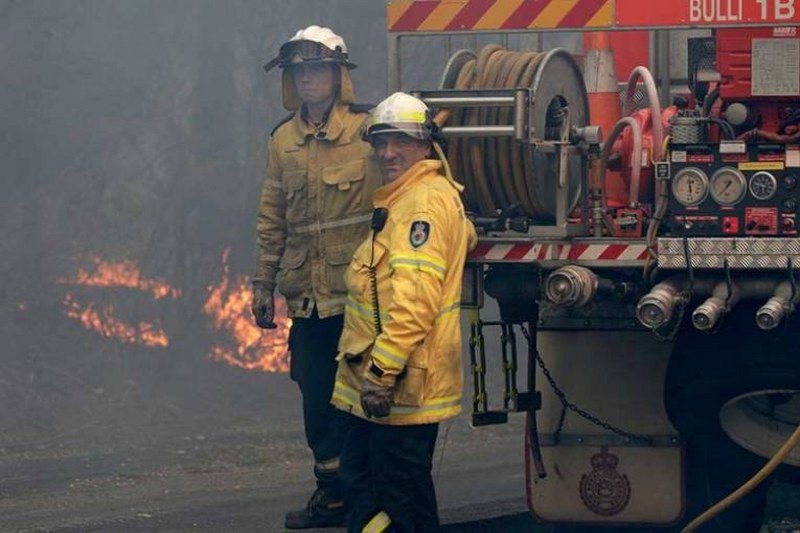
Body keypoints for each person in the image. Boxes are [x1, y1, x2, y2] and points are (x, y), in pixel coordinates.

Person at [330, 92, 477, 532]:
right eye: (381, 142)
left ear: (426, 146)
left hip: (399, 386)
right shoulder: (407, 198)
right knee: (367, 490)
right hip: (382, 384)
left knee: (401, 501)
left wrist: (381, 374)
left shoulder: (421, 206)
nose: (388, 153)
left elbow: (413, 305)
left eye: (401, 142)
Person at [252, 25, 380, 530]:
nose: (307, 80)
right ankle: (332, 494)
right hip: (307, 299)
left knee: (364, 398)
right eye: (298, 72)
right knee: (316, 397)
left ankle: (368, 496)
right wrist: (262, 283)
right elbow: (271, 217)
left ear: (338, 76)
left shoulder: (370, 130)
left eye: (317, 70)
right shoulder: (283, 141)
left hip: (360, 298)